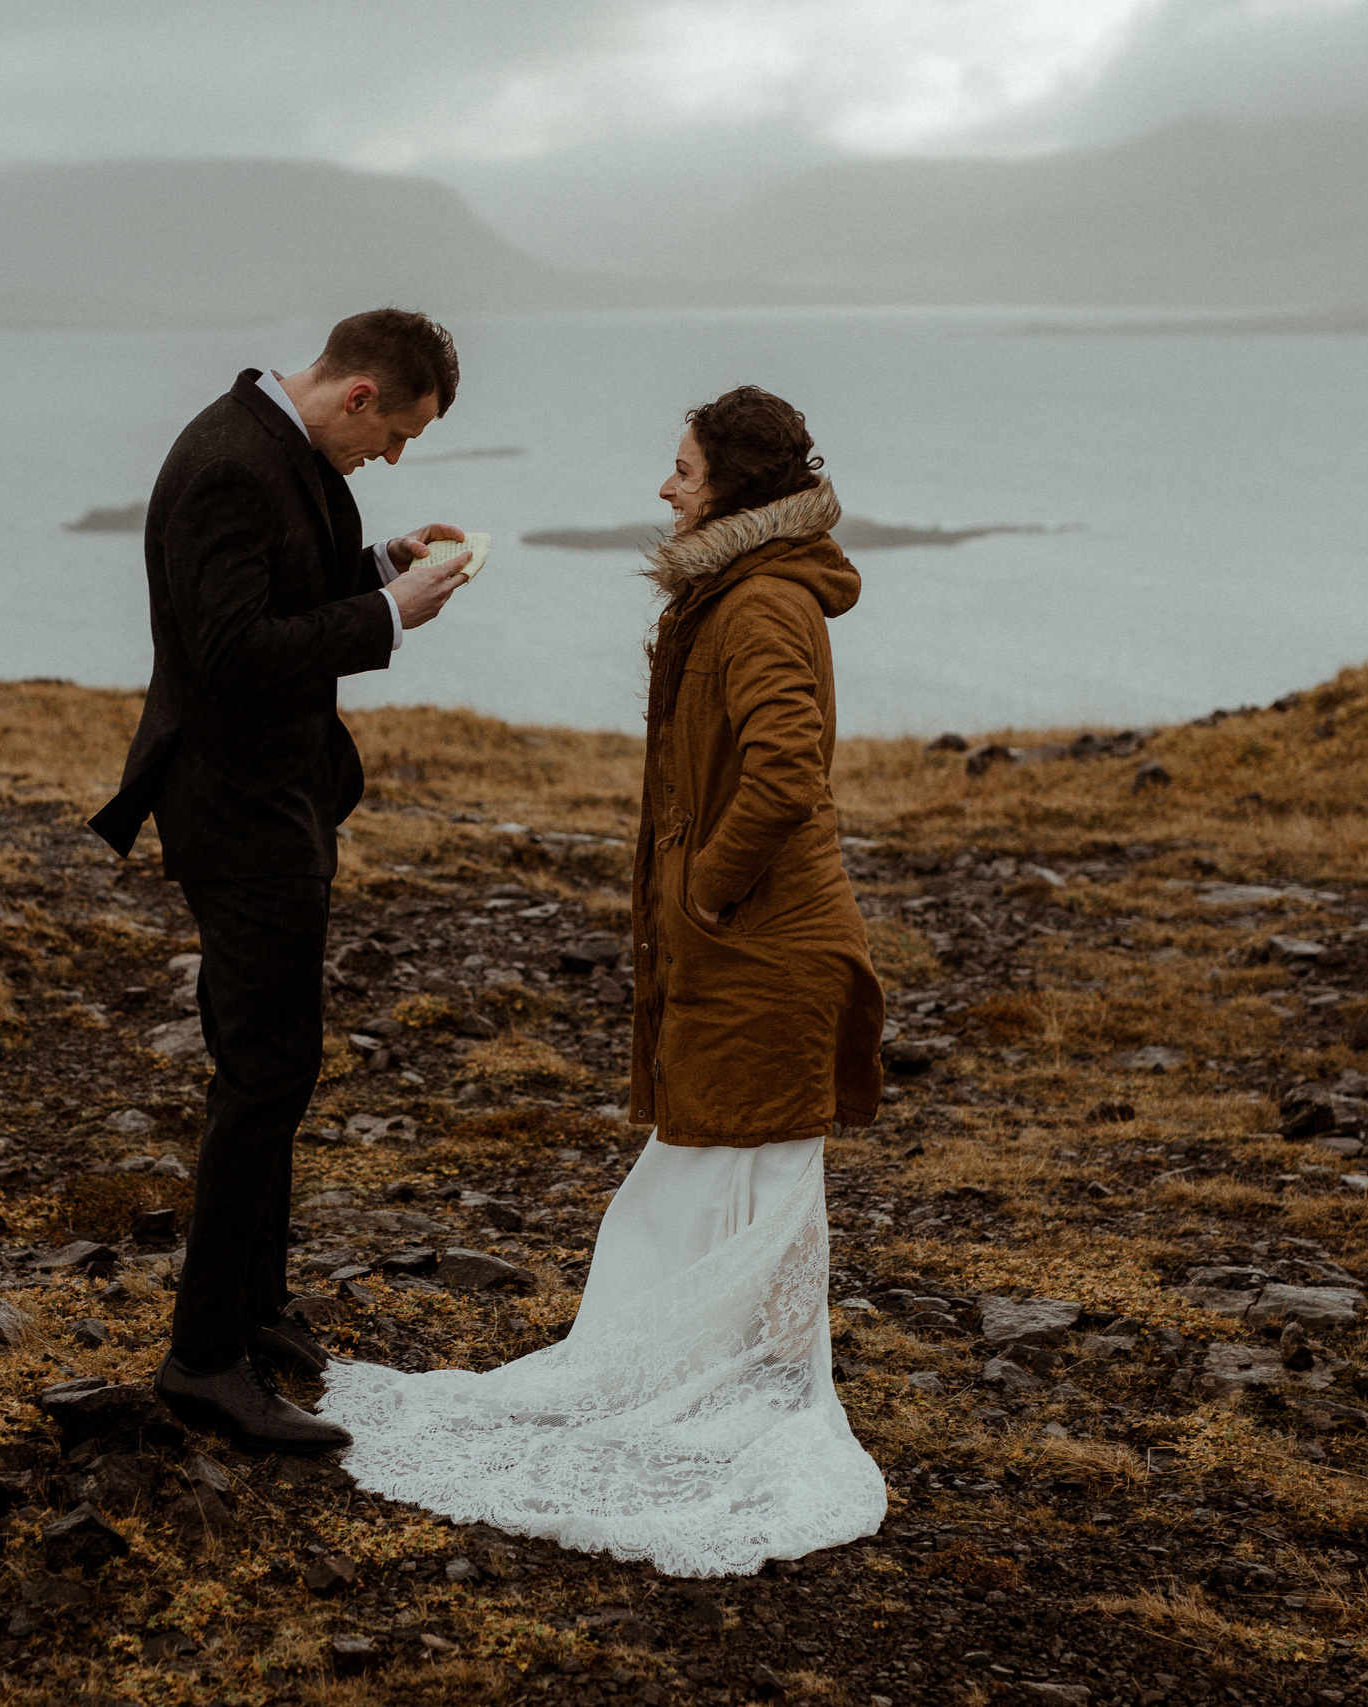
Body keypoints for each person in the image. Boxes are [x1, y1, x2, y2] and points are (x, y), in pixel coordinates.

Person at [321, 386, 889, 1576]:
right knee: (721, 1168)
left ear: (730, 486)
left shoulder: (760, 604)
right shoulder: (736, 592)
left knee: (763, 1172)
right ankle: (741, 1379)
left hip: (766, 943)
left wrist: (708, 889)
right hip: (747, 941)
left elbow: (786, 772)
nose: (664, 487)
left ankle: (769, 1391)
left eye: (683, 468)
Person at [88, 308, 474, 1454]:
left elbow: (278, 588)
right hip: (233, 809)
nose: (391, 457)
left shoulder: (281, 449)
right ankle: (204, 1361)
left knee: (273, 1065)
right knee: (263, 1073)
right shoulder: (227, 463)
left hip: (277, 800)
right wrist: (386, 618)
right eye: (394, 434)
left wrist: (377, 568)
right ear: (357, 395)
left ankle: (254, 1307)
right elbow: (231, 652)